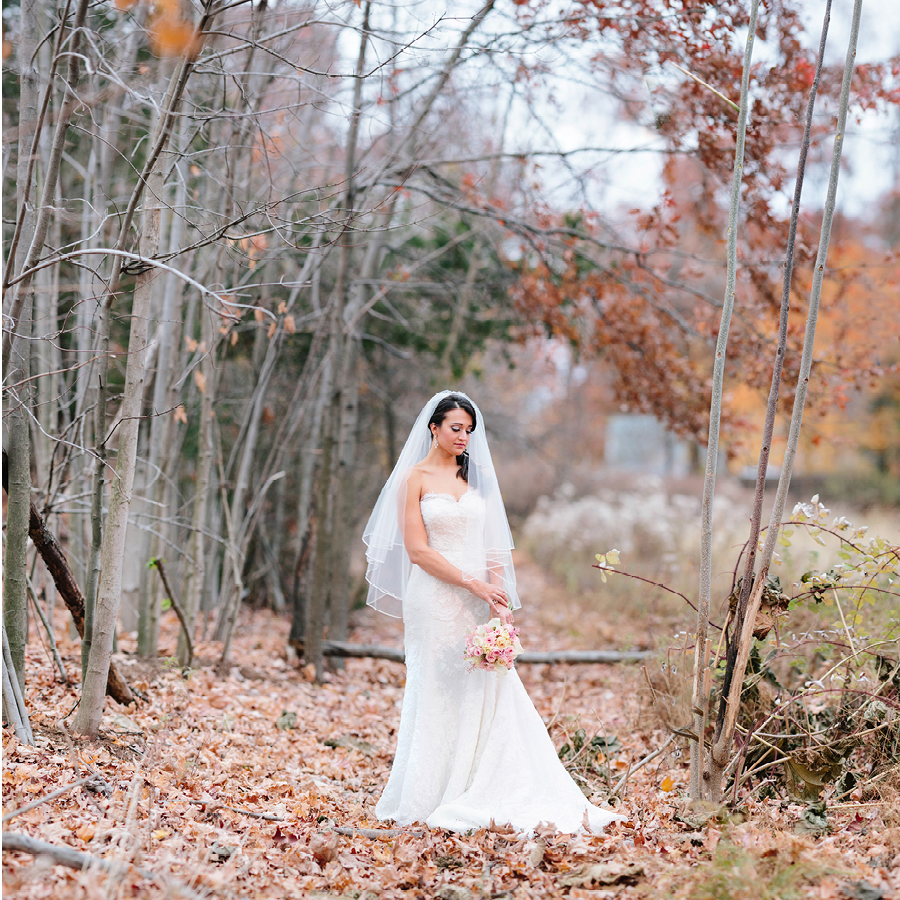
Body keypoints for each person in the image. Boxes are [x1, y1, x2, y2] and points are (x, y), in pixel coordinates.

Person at [363, 390, 623, 833]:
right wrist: (471, 582)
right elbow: (418, 551)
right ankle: (431, 791)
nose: (464, 437)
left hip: (479, 600)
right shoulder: (415, 478)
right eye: (455, 428)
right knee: (437, 686)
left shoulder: (477, 479)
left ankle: (484, 782)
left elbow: (495, 547)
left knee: (487, 687)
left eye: (469, 430)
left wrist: (498, 600)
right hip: (435, 598)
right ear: (434, 428)